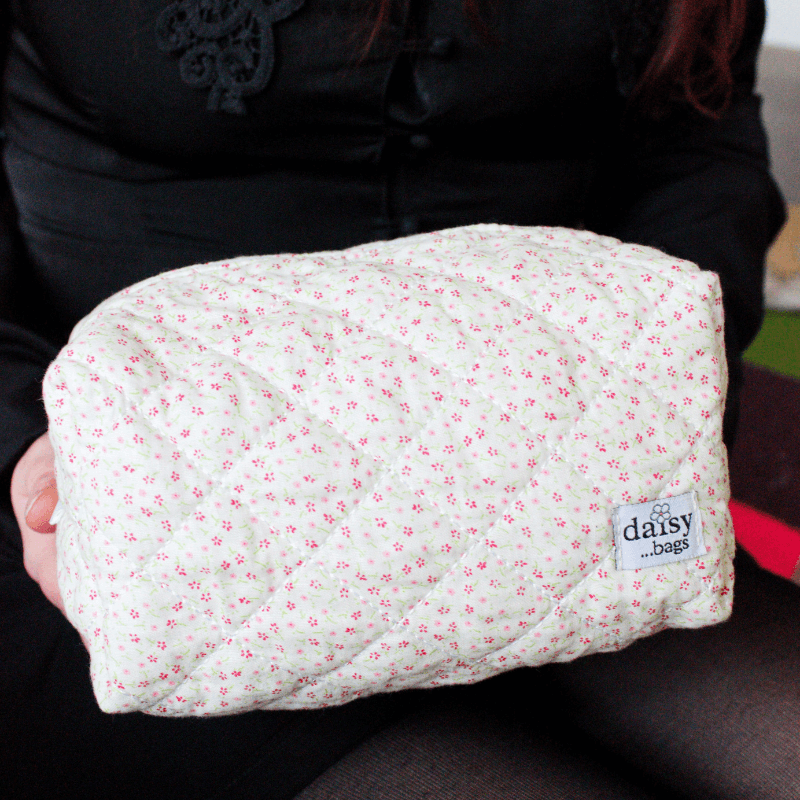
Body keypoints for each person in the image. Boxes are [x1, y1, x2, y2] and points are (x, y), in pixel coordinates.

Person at [1, 1, 797, 798]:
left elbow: (695, 146)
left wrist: (657, 405)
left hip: (549, 480)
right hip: (152, 520)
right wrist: (24, 450)